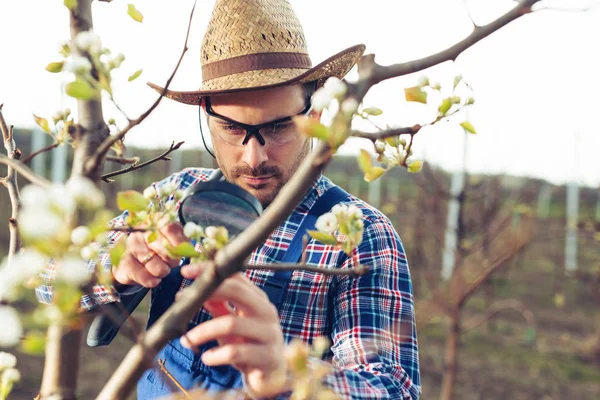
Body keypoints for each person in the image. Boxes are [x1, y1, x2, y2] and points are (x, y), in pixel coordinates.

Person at [39, 0, 421, 398]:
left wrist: (287, 373)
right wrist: (117, 266)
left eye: (277, 128)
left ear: (317, 115)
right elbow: (49, 279)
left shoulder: (359, 235)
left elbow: (392, 387)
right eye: (231, 128)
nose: (253, 157)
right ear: (207, 117)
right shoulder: (177, 195)